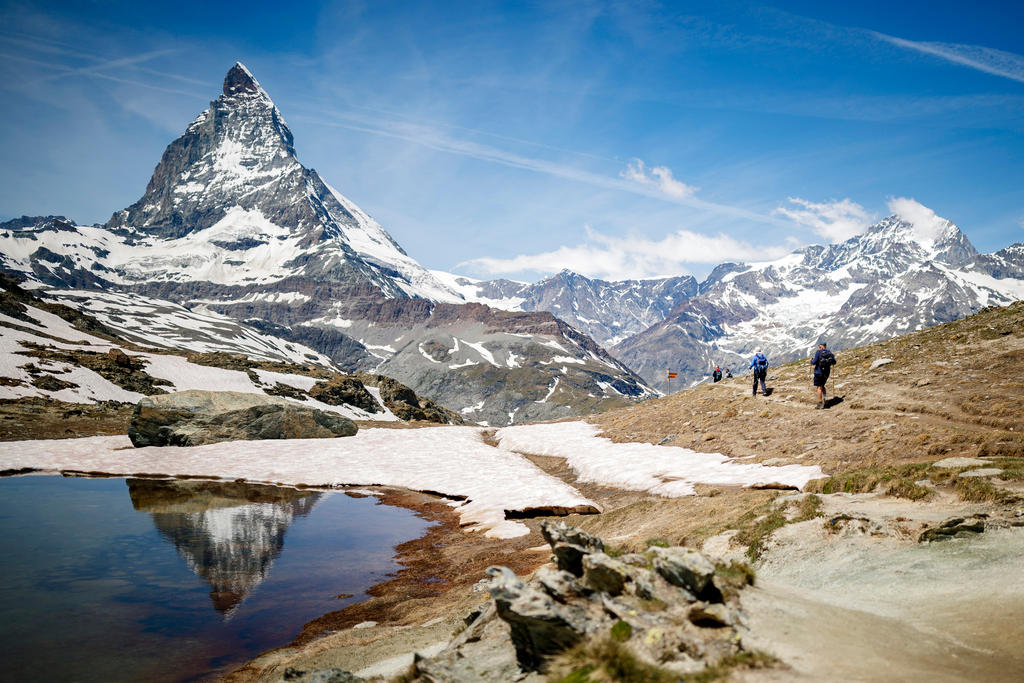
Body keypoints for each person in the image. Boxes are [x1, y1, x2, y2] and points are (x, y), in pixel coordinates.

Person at [810, 341, 836, 409]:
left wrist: (811, 361)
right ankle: (825, 400)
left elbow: (814, 362)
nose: (819, 348)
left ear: (821, 346)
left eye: (819, 347)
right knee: (823, 386)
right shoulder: (830, 353)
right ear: (826, 346)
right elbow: (834, 362)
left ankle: (820, 403)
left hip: (818, 372)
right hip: (826, 373)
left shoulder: (818, 352)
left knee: (819, 387)